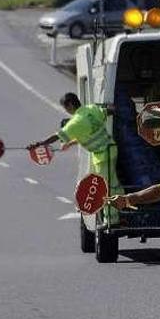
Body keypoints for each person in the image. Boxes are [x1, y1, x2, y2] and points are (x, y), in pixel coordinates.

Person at [30, 92, 123, 223]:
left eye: (65, 107)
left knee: (104, 188)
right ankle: (123, 207)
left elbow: (58, 135)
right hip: (111, 149)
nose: (66, 111)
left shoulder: (76, 121)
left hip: (102, 156)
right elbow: (107, 114)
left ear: (70, 105)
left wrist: (40, 143)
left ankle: (112, 220)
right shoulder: (91, 109)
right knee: (113, 185)